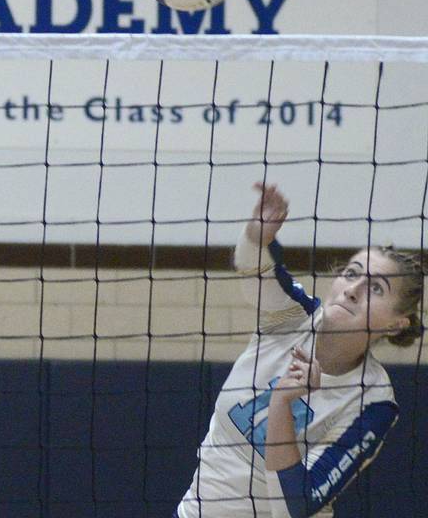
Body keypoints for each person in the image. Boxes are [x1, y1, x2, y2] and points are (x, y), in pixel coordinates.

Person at [176, 182, 424, 518]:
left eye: (376, 288)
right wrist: (256, 235)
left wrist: (282, 404)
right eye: (351, 274)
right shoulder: (291, 316)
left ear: (397, 323)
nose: (353, 290)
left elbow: (296, 505)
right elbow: (256, 270)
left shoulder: (374, 402)